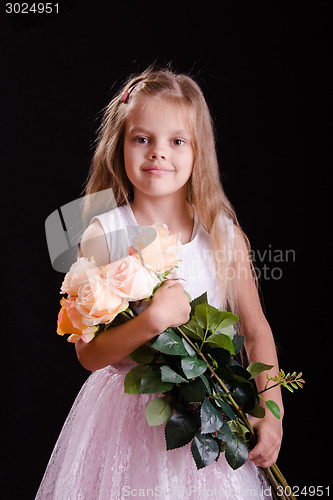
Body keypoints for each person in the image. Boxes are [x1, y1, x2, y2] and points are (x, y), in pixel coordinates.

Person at [36, 67, 283, 499]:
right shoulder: (105, 236)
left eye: (176, 141)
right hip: (124, 424)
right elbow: (89, 354)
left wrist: (272, 410)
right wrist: (151, 322)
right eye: (142, 139)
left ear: (197, 150)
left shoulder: (221, 235)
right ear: (121, 145)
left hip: (207, 412)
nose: (158, 154)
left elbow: (255, 329)